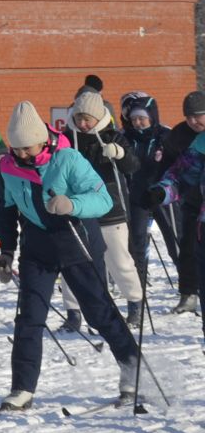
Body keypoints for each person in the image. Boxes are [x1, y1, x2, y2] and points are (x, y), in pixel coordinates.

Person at [0, 102, 143, 411]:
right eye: (16, 148)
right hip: (37, 247)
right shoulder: (8, 167)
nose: (22, 154)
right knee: (29, 319)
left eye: (27, 147)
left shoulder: (68, 158)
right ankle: (22, 388)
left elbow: (102, 199)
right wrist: (7, 251)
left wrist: (72, 204)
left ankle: (133, 371)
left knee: (98, 312)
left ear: (42, 139)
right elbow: (6, 210)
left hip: (76, 241)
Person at [65, 88, 144, 328]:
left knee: (119, 260)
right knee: (74, 262)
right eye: (79, 118)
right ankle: (74, 312)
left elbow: (132, 166)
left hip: (111, 210)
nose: (83, 123)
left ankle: (134, 303)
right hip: (78, 208)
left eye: (87, 118)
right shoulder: (68, 138)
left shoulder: (113, 136)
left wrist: (119, 154)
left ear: (98, 117)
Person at [145, 90, 205, 315]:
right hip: (193, 205)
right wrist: (160, 190)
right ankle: (189, 293)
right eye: (189, 116)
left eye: (199, 115)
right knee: (188, 249)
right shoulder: (184, 136)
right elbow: (176, 170)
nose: (193, 121)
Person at [119, 93, 178, 297]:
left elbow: (178, 164)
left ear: (152, 116)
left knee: (174, 238)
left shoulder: (166, 135)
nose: (137, 122)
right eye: (134, 118)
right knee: (137, 241)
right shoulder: (126, 137)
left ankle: (190, 286)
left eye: (142, 118)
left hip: (163, 195)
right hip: (137, 196)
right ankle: (139, 286)